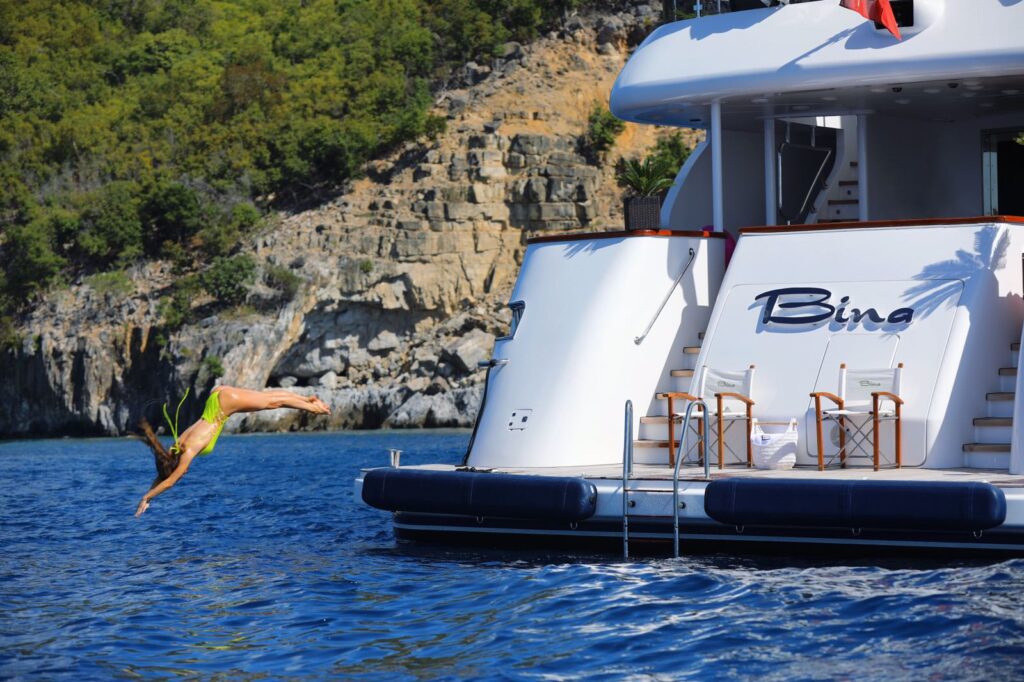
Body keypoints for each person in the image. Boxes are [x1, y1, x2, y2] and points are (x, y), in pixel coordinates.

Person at [135, 386, 331, 517]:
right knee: (269, 399)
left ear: (177, 466)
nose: (184, 472)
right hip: (217, 398)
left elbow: (169, 481)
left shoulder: (187, 453)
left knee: (273, 402)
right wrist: (149, 492)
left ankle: (314, 408)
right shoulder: (175, 448)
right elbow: (164, 474)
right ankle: (307, 399)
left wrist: (147, 497)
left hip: (225, 404)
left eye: (181, 471)